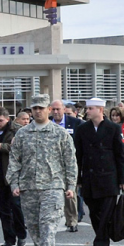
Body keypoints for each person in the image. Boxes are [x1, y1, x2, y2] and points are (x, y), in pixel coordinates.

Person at [7, 94, 77, 246]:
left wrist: (71, 185)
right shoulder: (22, 134)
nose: (38, 111)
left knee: (48, 223)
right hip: (28, 187)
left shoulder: (60, 133)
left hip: (53, 186)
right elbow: (14, 160)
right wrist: (14, 183)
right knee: (33, 225)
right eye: (34, 108)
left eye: (41, 108)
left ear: (48, 110)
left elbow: (70, 161)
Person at [74, 98, 124, 246]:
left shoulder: (113, 128)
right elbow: (78, 155)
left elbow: (121, 155)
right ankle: (102, 234)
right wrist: (77, 178)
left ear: (100, 110)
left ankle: (102, 241)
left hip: (109, 176)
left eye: (90, 108)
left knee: (106, 211)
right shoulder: (83, 129)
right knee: (94, 210)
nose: (87, 111)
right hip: (90, 177)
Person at [0, 107, 27, 246]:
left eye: (0, 120)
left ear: (7, 119)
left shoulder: (18, 131)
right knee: (3, 209)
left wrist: (3, 147)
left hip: (13, 174)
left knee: (16, 206)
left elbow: (22, 150)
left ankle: (21, 235)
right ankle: (9, 238)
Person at [51, 99, 83, 232]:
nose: (56, 112)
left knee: (70, 193)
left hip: (70, 163)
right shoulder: (47, 124)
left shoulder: (76, 123)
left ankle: (72, 220)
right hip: (51, 164)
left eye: (58, 109)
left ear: (64, 109)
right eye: (53, 109)